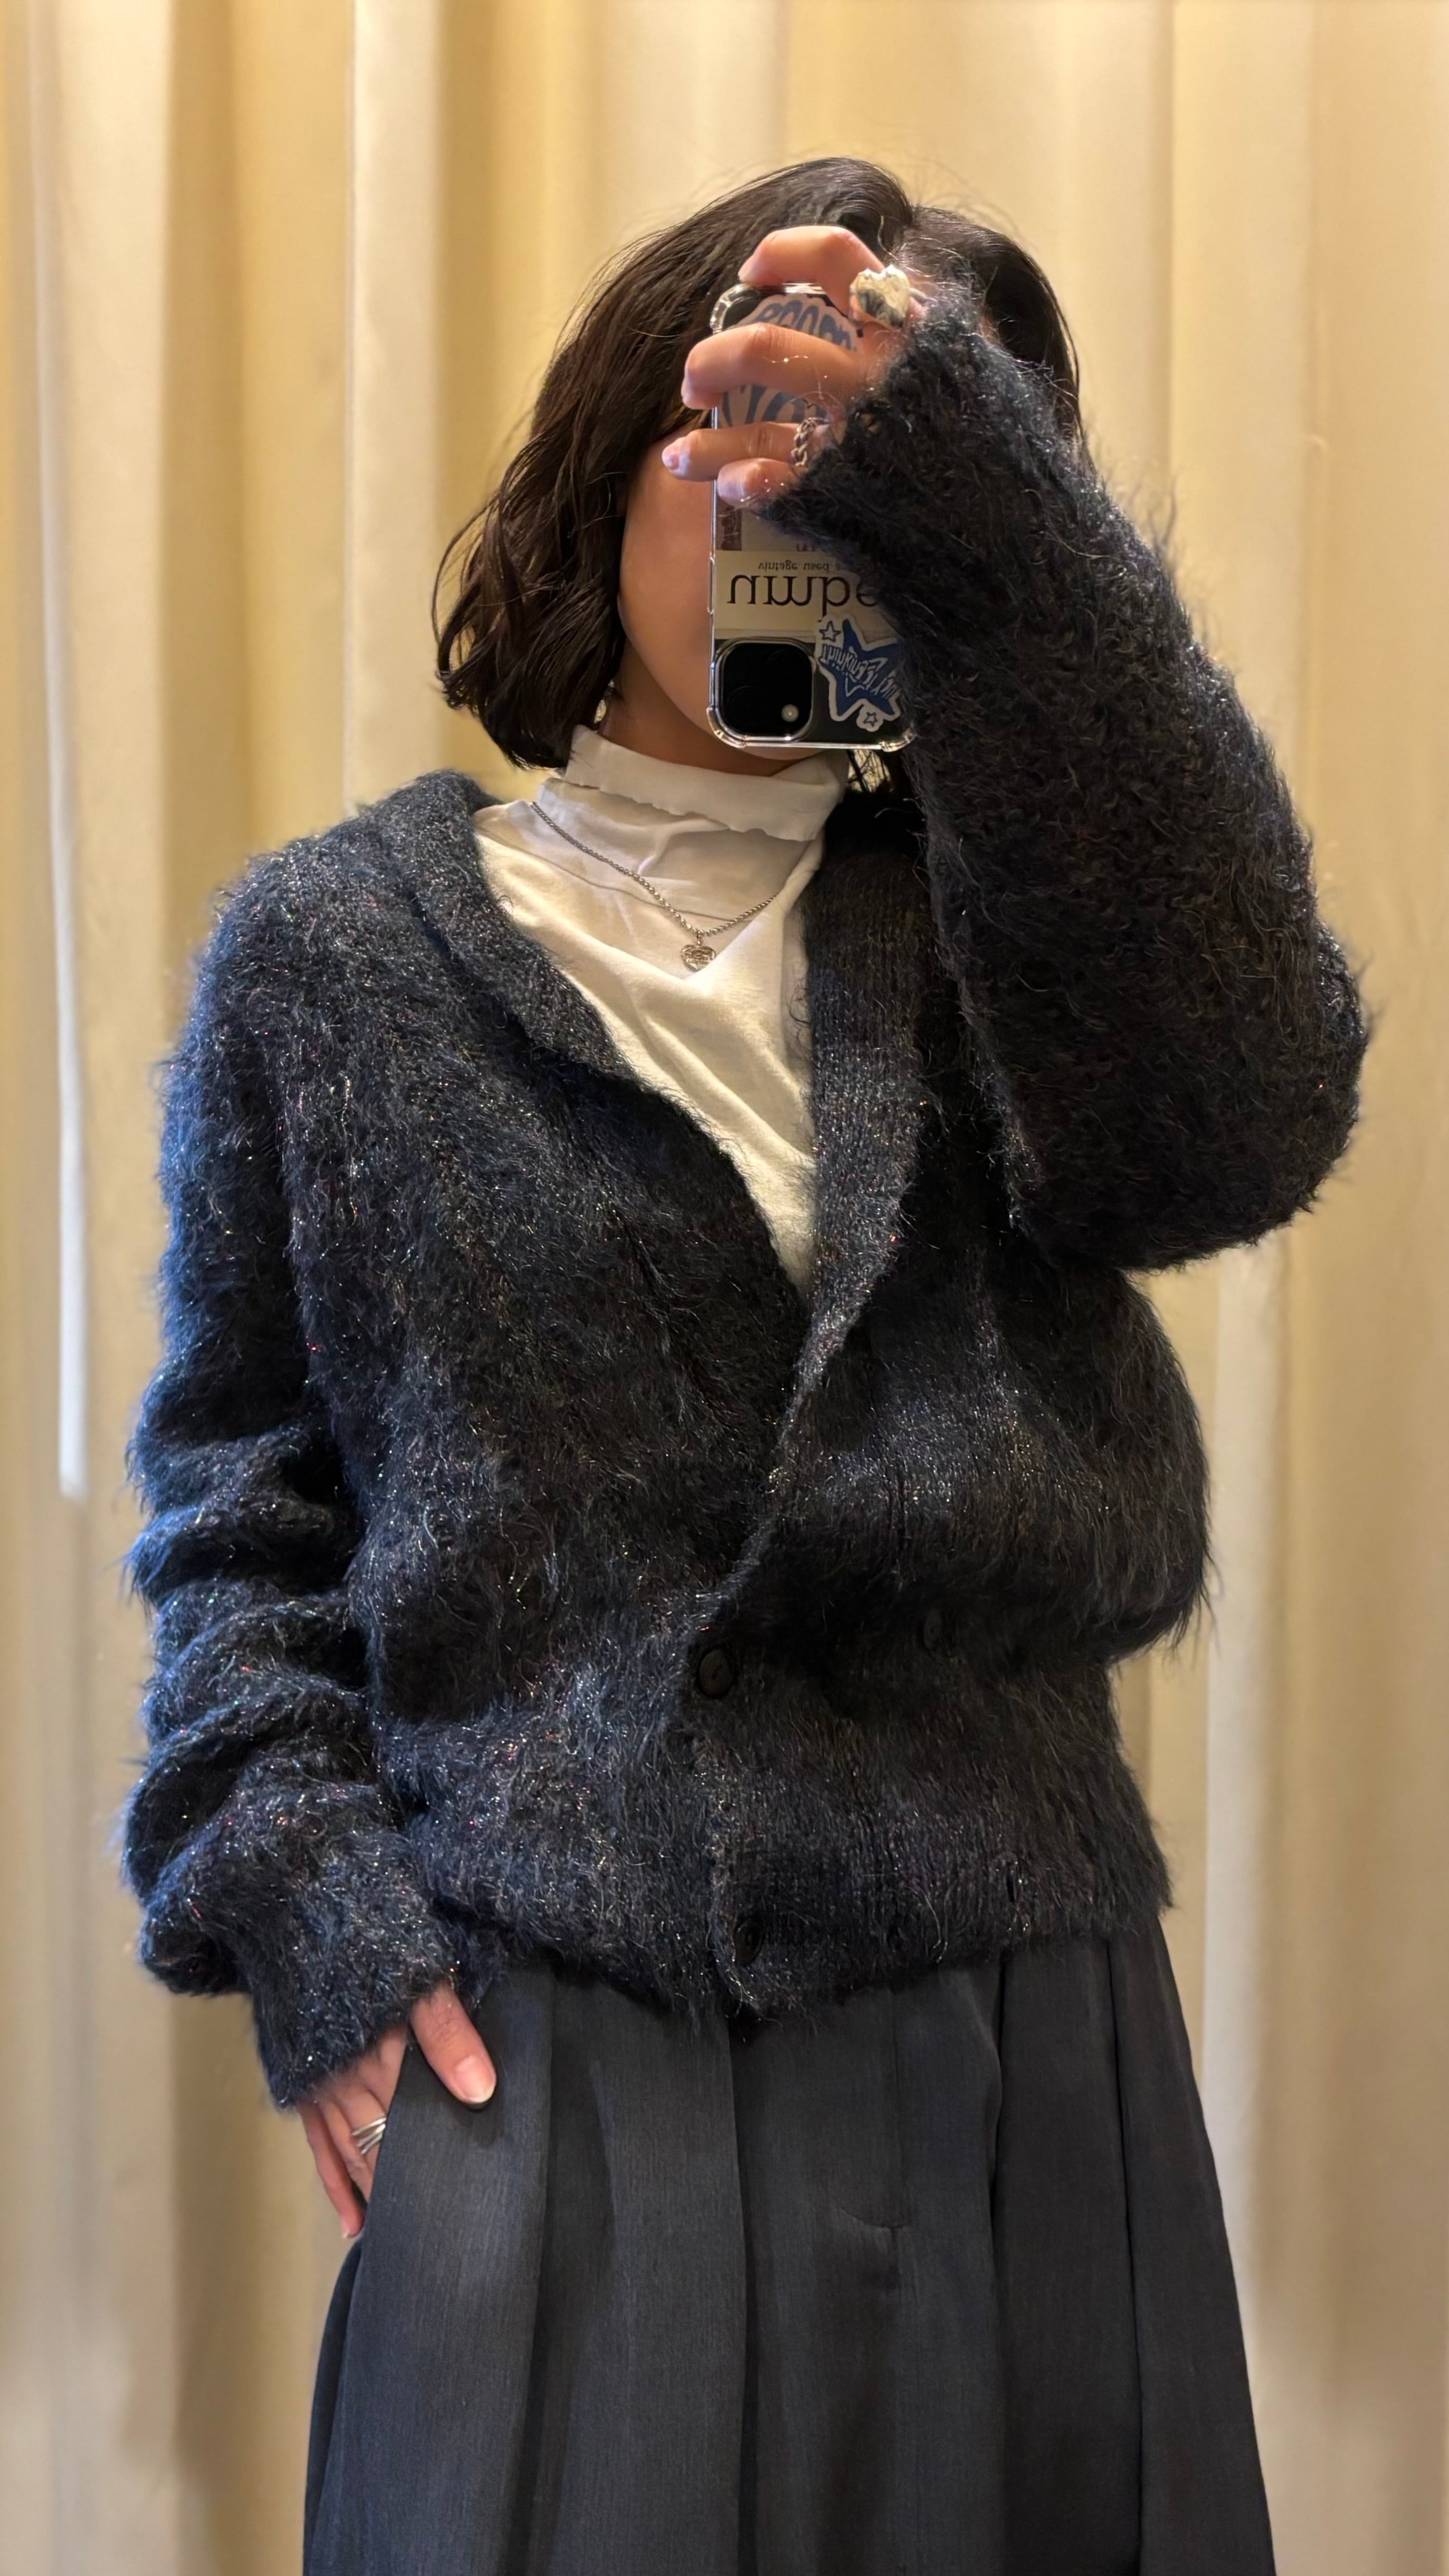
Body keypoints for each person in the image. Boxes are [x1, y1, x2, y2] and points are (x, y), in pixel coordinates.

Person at [119, 157, 1366, 2575]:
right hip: (546, 2037)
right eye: (751, 421)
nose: (797, 504)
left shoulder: (1014, 956)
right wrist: (313, 1916)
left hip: (1022, 2043)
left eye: (874, 449)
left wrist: (1000, 551)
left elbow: (1241, 1113)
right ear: (623, 445)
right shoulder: (332, 960)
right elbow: (239, 1502)